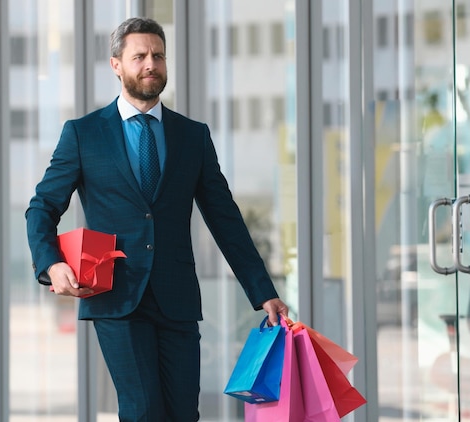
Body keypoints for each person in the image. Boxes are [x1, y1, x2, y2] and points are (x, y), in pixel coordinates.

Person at [26, 17, 289, 422]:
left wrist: (262, 291)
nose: (151, 63)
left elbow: (225, 220)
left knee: (184, 413)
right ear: (117, 65)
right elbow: (42, 207)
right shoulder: (84, 134)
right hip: (116, 298)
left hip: (177, 298)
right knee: (144, 410)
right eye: (140, 56)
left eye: (158, 55)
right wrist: (51, 263)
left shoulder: (192, 136)